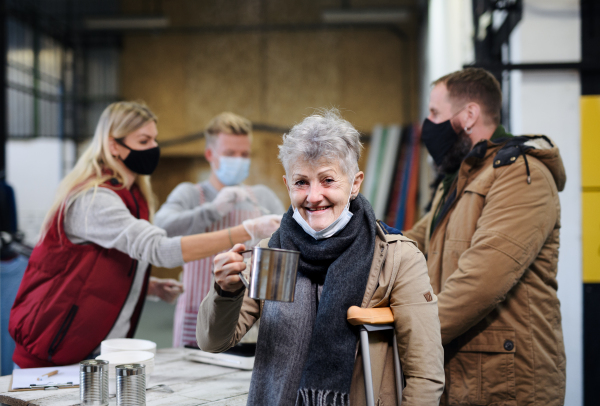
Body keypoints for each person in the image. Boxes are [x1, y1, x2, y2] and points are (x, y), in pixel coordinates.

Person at [197, 109, 445, 406]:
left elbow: (425, 375)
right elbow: (214, 341)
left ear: (354, 183)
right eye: (302, 182)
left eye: (327, 180)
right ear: (288, 185)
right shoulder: (274, 252)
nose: (314, 196)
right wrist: (225, 292)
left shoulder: (396, 257)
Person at [9, 101, 281, 368]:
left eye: (154, 139)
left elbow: (101, 264)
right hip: (57, 343)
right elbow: (159, 247)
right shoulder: (95, 198)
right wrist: (244, 230)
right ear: (113, 144)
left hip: (93, 343)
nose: (153, 148)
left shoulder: (133, 197)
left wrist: (147, 286)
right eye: (143, 141)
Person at [405, 68, 566, 405]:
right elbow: (413, 244)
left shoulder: (522, 177)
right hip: (464, 373)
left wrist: (409, 333)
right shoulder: (462, 178)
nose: (428, 125)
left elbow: (481, 281)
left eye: (435, 113)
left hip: (507, 381)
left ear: (469, 115)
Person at [155, 112, 284, 348]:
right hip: (198, 318)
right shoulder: (191, 195)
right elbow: (161, 228)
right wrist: (212, 210)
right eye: (229, 154)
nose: (238, 159)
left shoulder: (261, 196)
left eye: (244, 155)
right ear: (209, 155)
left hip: (247, 320)